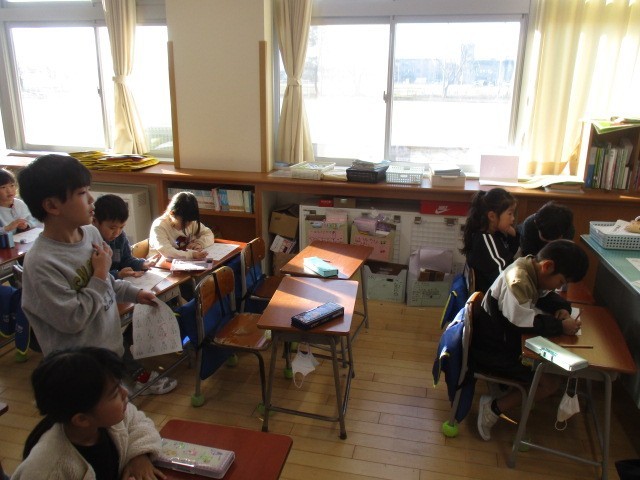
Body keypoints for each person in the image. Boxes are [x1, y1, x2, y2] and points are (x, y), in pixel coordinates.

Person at [17, 154, 176, 395]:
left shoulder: (90, 234)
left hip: (109, 354)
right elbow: (73, 319)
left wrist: (134, 293)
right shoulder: (41, 262)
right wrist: (100, 273)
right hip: (76, 370)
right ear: (52, 206)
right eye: (82, 193)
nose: (92, 199)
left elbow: (107, 285)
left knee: (118, 412)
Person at [471, 239, 588, 441]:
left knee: (552, 371)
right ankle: (493, 407)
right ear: (547, 266)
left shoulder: (531, 268)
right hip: (493, 351)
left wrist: (562, 309)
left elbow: (545, 295)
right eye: (561, 281)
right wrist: (560, 326)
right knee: (550, 382)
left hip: (502, 340)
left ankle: (507, 397)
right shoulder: (518, 279)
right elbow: (521, 324)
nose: (560, 286)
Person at [12, 346, 166, 480]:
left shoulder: (109, 415)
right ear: (82, 419)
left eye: (119, 384)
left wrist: (138, 455)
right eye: (114, 394)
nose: (125, 392)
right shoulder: (48, 469)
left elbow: (138, 422)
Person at [461, 188, 520, 293]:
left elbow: (510, 253)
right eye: (510, 214)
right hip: (491, 297)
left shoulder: (495, 233)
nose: (513, 218)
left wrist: (514, 235)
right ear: (492, 216)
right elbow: (503, 279)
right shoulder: (485, 241)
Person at [93, 194, 152, 279]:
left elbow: (127, 260)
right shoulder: (92, 243)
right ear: (95, 221)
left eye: (121, 227)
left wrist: (142, 264)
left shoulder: (120, 237)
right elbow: (95, 275)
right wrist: (118, 274)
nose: (117, 233)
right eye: (112, 228)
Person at [148, 191, 214, 260]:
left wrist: (199, 243)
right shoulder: (159, 226)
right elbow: (167, 251)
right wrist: (192, 255)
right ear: (172, 213)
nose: (188, 225)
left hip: (183, 261)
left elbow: (208, 233)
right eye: (184, 222)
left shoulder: (191, 222)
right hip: (158, 263)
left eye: (190, 221)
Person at [0, 167, 41, 234]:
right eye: (3, 187)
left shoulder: (19, 203)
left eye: (12, 185)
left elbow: (33, 220)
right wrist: (6, 228)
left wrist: (26, 225)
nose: (9, 191)